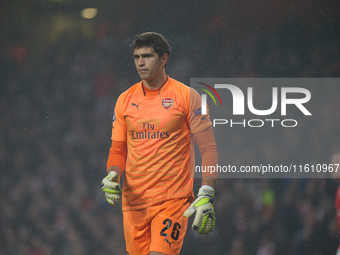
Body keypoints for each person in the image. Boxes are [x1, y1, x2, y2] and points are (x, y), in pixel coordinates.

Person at [101, 32, 219, 255]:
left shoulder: (189, 96)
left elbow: (209, 148)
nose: (140, 62)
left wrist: (207, 191)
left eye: (147, 56)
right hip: (134, 203)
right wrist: (113, 174)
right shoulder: (124, 100)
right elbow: (117, 150)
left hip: (171, 200)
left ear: (164, 59)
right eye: (136, 57)